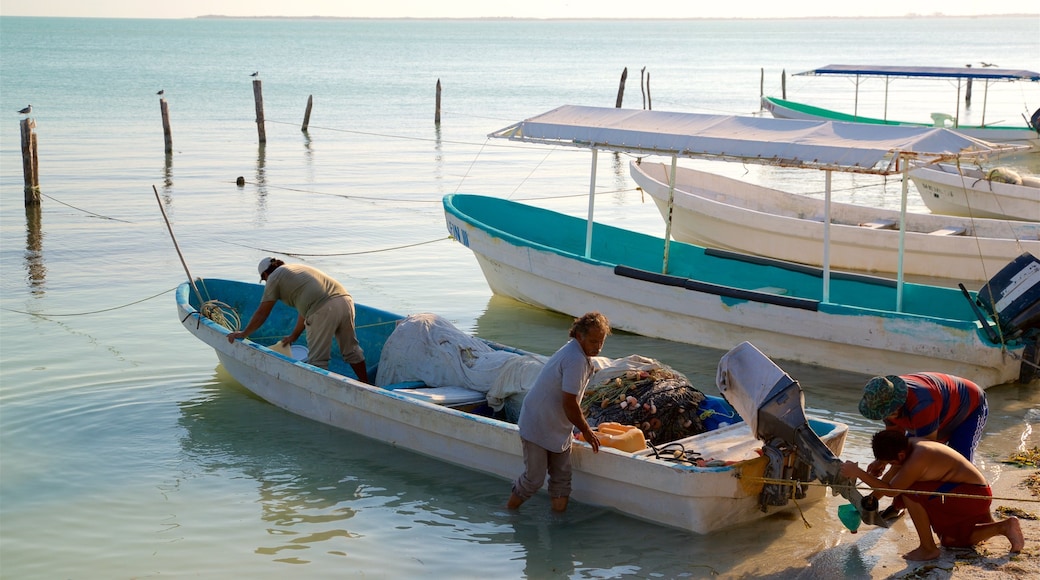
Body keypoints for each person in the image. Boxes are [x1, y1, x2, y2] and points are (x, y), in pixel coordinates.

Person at [840, 430, 1023, 562]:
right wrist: (866, 503)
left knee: (912, 493)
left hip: (972, 497)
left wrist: (858, 472)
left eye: (889, 463)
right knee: (951, 541)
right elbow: (890, 482)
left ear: (900, 455)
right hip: (969, 493)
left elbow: (892, 490)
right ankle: (999, 527)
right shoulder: (909, 444)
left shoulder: (919, 457)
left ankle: (927, 548)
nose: (888, 466)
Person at [507, 312, 610, 513]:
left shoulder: (580, 354)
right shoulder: (575, 359)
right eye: (593, 341)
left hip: (559, 425)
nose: (597, 347)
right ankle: (508, 511)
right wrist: (587, 431)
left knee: (562, 479)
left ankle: (557, 521)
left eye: (601, 342)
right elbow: (570, 403)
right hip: (538, 422)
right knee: (534, 479)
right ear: (579, 336)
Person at [227, 257, 368, 383]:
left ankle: (320, 397)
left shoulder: (274, 277)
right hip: (345, 300)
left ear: (265, 274)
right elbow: (305, 310)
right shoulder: (296, 271)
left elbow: (262, 313)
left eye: (264, 280)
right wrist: (294, 335)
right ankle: (366, 383)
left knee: (318, 361)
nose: (266, 283)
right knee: (351, 349)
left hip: (323, 309)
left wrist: (243, 333)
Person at [858, 373, 987, 465]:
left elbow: (925, 452)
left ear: (897, 401)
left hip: (969, 406)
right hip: (940, 408)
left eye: (889, 411)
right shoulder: (882, 399)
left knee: (959, 460)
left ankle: (970, 495)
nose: (887, 416)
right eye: (883, 413)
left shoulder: (922, 404)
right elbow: (895, 441)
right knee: (904, 454)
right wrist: (882, 461)